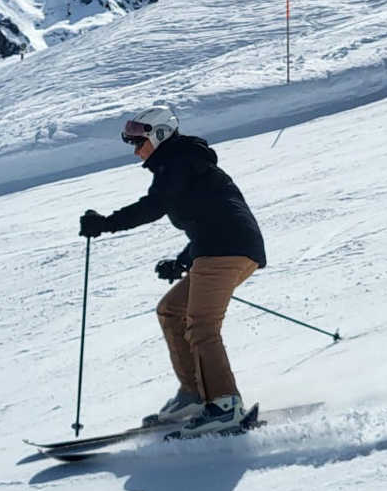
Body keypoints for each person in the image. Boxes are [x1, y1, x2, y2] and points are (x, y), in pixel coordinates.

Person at [78, 105, 266, 438]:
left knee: (202, 325)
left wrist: (106, 223)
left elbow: (153, 207)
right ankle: (195, 394)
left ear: (160, 134)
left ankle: (224, 404)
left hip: (224, 249)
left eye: (139, 142)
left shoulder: (177, 162)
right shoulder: (181, 163)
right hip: (222, 246)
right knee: (171, 309)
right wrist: (182, 261)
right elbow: (208, 218)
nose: (136, 151)